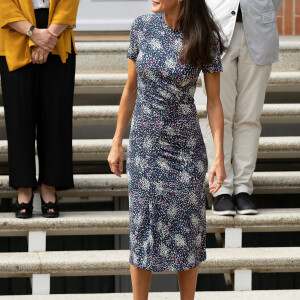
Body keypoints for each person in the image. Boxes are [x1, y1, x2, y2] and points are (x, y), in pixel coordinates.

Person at [108, 0, 226, 298]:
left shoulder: (204, 37)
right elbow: (130, 88)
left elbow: (213, 103)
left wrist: (219, 156)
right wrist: (116, 143)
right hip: (145, 146)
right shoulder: (142, 27)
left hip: (186, 149)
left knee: (187, 229)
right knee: (142, 228)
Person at [203, 0, 283, 216]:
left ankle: (243, 188)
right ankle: (221, 188)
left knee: (250, 117)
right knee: (220, 116)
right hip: (214, 27)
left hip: (259, 27)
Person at [0, 0, 79, 218]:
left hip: (57, 33)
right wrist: (34, 34)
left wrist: (46, 39)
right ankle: (23, 189)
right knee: (19, 116)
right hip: (16, 32)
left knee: (56, 116)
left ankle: (49, 187)